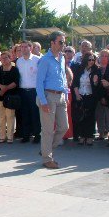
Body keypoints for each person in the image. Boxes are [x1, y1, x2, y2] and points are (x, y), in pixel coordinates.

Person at [36, 31, 69, 169]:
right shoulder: (44, 60)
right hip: (48, 96)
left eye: (64, 42)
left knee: (64, 127)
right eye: (60, 42)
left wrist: (66, 95)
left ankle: (46, 149)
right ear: (52, 43)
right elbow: (39, 82)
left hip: (60, 96)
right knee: (48, 130)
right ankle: (46, 158)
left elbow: (64, 77)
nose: (63, 45)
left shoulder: (62, 58)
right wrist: (43, 101)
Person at [0, 50, 20, 143]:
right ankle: (2, 136)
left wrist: (5, 89)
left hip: (10, 97)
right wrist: (1, 87)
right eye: (2, 58)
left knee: (10, 116)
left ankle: (10, 137)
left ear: (10, 58)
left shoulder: (14, 69)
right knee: (1, 117)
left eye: (5, 57)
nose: (3, 59)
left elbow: (16, 83)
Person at [72, 53, 101, 145]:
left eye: (93, 60)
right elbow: (75, 83)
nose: (91, 62)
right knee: (81, 116)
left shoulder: (96, 70)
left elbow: (97, 86)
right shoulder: (79, 69)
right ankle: (82, 135)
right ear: (85, 60)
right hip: (80, 95)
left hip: (90, 95)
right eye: (89, 60)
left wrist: (95, 82)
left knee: (90, 116)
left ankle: (89, 136)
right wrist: (77, 95)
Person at [16, 41, 41, 144]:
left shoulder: (37, 60)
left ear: (31, 48)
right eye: (22, 47)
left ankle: (37, 135)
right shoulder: (19, 61)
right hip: (22, 91)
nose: (23, 49)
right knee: (24, 114)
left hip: (34, 91)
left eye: (26, 47)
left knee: (35, 114)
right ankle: (26, 135)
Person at [95, 49, 109, 140]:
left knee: (108, 115)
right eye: (102, 56)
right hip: (98, 95)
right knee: (99, 115)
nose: (104, 58)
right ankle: (101, 132)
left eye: (106, 56)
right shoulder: (96, 69)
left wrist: (105, 96)